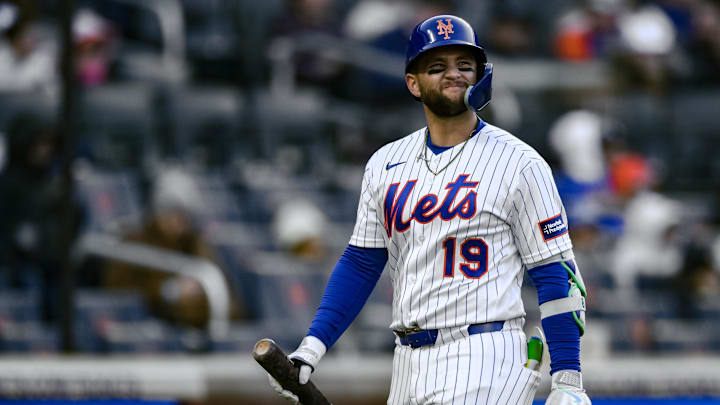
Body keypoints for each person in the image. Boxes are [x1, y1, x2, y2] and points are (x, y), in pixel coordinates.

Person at [267, 15, 591, 405]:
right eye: (437, 67)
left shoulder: (521, 163)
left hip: (486, 352)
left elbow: (556, 274)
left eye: (464, 65)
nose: (454, 74)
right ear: (413, 83)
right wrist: (314, 344)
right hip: (408, 359)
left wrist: (568, 378)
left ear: (481, 74)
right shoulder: (385, 163)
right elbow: (361, 262)